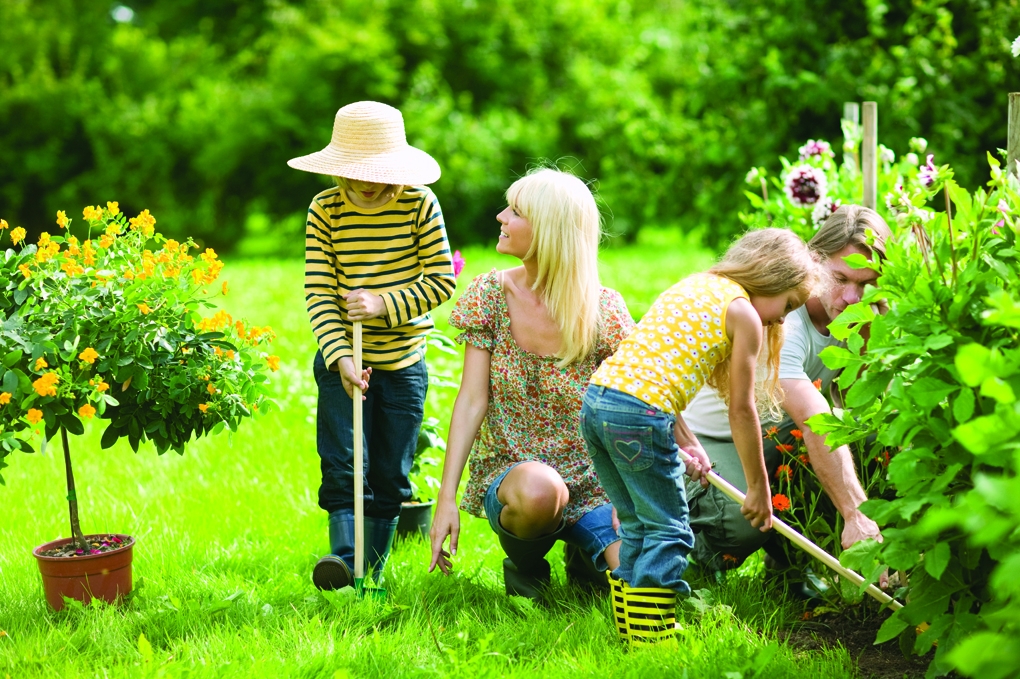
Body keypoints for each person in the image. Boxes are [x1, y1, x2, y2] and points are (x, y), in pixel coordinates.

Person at [580, 228, 822, 643]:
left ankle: (633, 629)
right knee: (669, 530)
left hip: (599, 403)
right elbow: (742, 410)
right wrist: (757, 488)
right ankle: (652, 635)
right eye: (788, 305)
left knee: (638, 525)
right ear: (772, 279)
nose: (783, 318)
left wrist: (687, 442)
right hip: (640, 414)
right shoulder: (743, 313)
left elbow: (650, 378)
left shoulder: (694, 285)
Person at [428, 168, 636, 600]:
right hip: (516, 472)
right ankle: (526, 568)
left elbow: (629, 407)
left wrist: (627, 494)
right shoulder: (490, 293)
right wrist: (445, 498)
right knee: (541, 491)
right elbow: (471, 400)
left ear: (548, 231)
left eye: (516, 211)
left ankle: (585, 556)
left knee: (636, 580)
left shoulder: (603, 309)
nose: (501, 217)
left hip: (593, 478)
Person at [289, 101, 457, 590]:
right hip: (344, 358)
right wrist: (340, 356)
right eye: (356, 171)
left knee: (390, 473)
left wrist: (383, 303)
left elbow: (442, 281)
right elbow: (319, 290)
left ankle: (373, 571)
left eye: (376, 172)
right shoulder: (326, 209)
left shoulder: (419, 204)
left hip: (403, 364)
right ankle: (344, 561)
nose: (366, 182)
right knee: (342, 463)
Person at [683, 205, 891, 578]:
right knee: (742, 523)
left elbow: (870, 409)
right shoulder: (784, 320)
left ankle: (789, 568)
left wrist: (871, 345)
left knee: (871, 434)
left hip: (772, 434)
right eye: (840, 278)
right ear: (815, 262)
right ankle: (685, 553)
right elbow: (816, 422)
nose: (852, 297)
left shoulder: (858, 318)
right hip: (712, 440)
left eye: (866, 284)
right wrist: (857, 514)